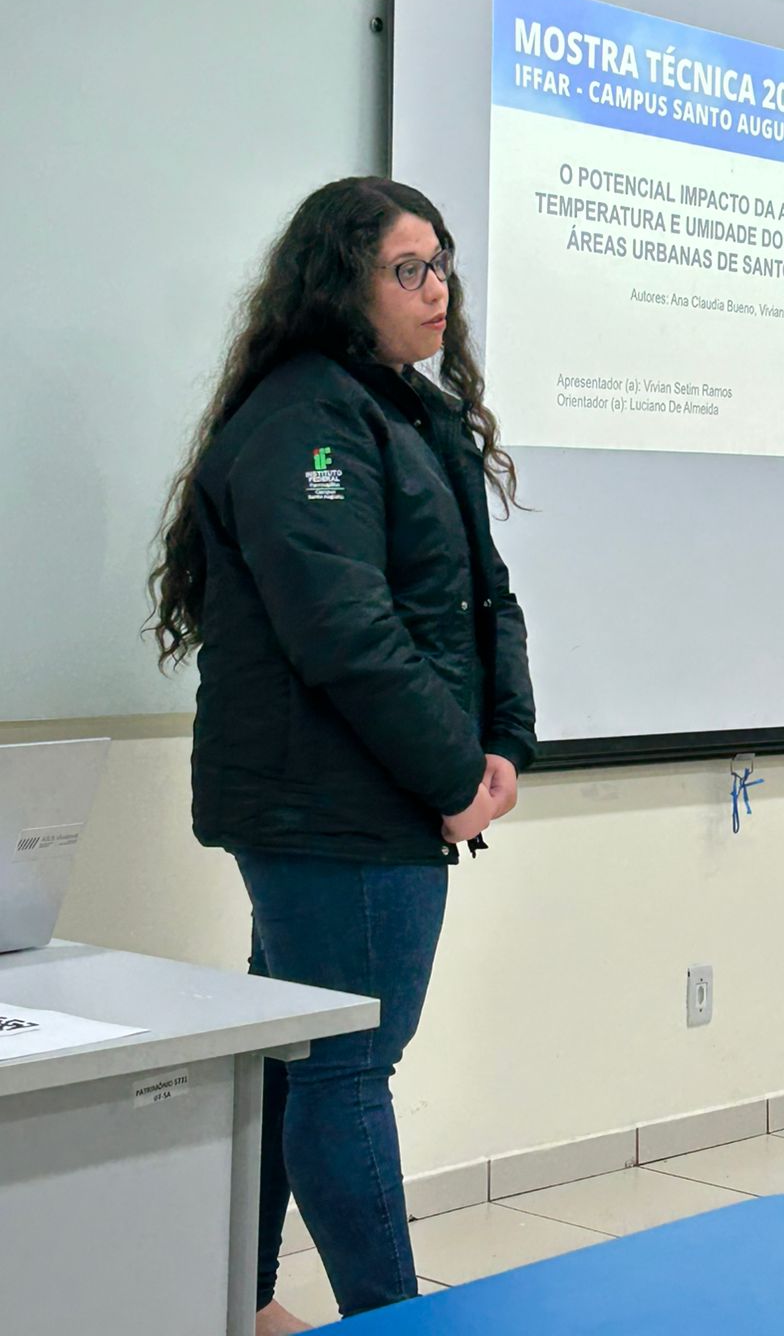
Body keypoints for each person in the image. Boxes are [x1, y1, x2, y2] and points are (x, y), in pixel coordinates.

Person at [149, 177, 536, 1332]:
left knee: (295, 1055)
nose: (438, 289)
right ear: (339, 284)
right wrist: (451, 775)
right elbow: (347, 633)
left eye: (443, 263)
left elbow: (482, 598)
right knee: (346, 1068)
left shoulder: (411, 413)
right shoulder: (304, 420)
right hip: (327, 803)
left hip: (368, 795)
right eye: (409, 269)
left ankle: (239, 1302)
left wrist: (504, 740)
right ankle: (388, 1318)